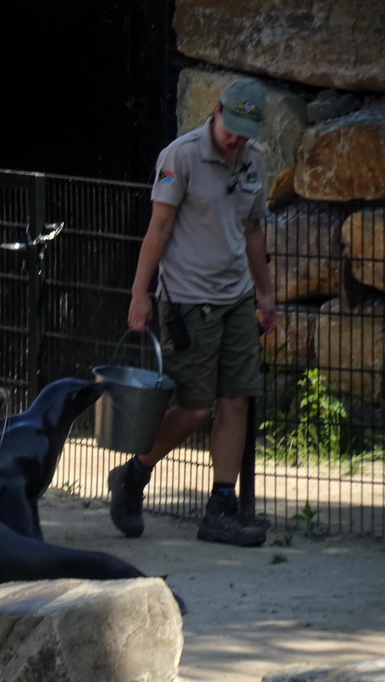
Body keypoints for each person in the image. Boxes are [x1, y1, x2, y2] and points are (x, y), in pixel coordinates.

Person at [108, 78, 277, 548]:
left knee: (237, 399)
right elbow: (158, 229)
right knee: (195, 406)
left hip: (237, 297)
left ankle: (221, 508)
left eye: (245, 131)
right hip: (186, 300)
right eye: (231, 126)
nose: (235, 138)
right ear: (216, 111)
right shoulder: (179, 156)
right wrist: (140, 295)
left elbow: (254, 232)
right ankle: (134, 475)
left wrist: (265, 295)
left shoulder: (254, 161)